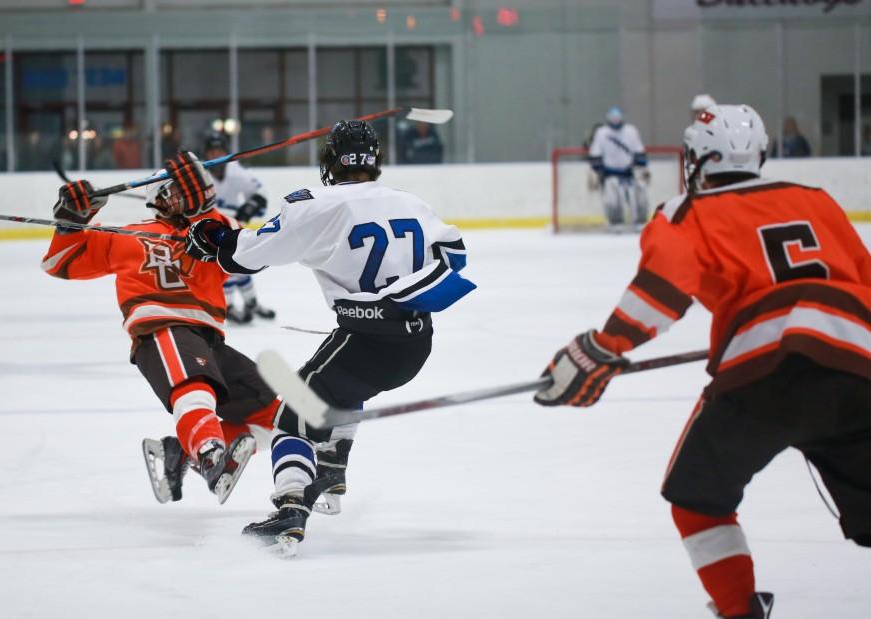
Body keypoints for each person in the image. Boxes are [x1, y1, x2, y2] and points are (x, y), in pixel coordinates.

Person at [534, 104, 871, 619]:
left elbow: (661, 291)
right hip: (857, 365)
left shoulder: (687, 213)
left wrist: (601, 349)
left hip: (762, 374)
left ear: (696, 157)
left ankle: (739, 609)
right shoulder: (816, 201)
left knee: (697, 498)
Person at [182, 120, 476, 555]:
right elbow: (454, 255)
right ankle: (334, 465)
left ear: (330, 161)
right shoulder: (412, 203)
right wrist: (396, 294)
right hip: (416, 343)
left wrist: (216, 238)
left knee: (290, 417)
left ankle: (290, 508)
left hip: (365, 341)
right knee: (342, 384)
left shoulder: (315, 204)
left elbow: (249, 255)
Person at [40, 151, 281, 505]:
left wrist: (205, 213)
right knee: (195, 388)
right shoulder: (129, 234)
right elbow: (61, 263)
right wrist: (71, 222)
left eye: (195, 189)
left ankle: (181, 453)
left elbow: (251, 255)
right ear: (163, 198)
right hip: (163, 327)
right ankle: (210, 454)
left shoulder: (214, 230)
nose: (193, 195)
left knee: (272, 416)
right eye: (182, 191)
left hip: (209, 339)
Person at [202, 131, 276, 324]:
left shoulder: (237, 172)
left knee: (240, 262)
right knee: (224, 265)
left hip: (232, 225)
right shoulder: (201, 176)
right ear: (206, 154)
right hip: (209, 228)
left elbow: (260, 192)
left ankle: (250, 302)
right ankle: (228, 305)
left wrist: (248, 209)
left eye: (219, 151)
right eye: (212, 152)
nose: (216, 156)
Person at [587, 107, 650, 229]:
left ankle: (640, 221)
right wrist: (598, 171)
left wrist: (641, 167)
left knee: (640, 195)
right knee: (613, 199)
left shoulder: (631, 131)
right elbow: (595, 154)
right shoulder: (601, 133)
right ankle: (615, 222)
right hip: (609, 174)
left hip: (629, 173)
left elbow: (639, 151)